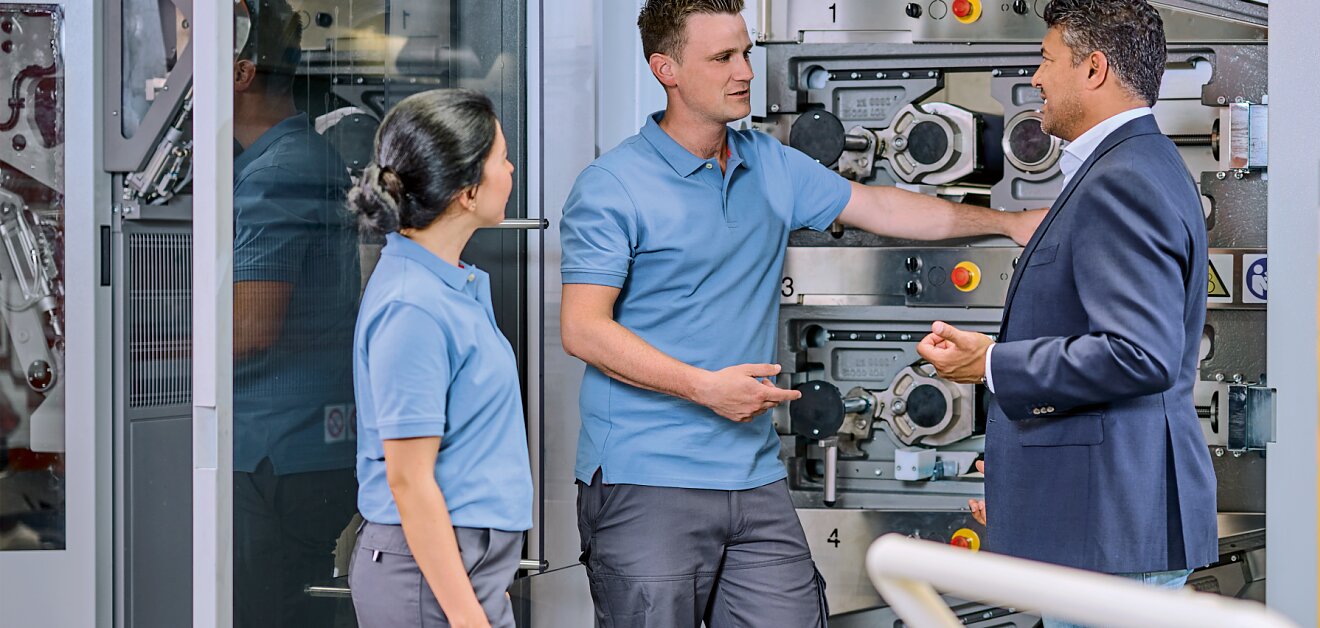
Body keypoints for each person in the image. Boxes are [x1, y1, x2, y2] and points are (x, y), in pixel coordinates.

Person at [557, 1, 1044, 625]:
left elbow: (883, 208)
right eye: (721, 58)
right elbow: (583, 328)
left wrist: (1008, 223)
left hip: (751, 474)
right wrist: (705, 389)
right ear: (665, 69)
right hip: (647, 476)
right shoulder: (613, 186)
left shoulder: (768, 162)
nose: (744, 73)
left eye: (746, 53)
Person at [915, 1, 1219, 626]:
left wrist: (992, 363)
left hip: (1113, 535)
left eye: (1048, 59)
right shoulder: (1132, 167)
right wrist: (1021, 485)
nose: (1035, 78)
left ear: (1096, 69)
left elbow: (1139, 352)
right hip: (1098, 524)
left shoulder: (1123, 178)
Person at [347, 88, 531, 628]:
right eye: (501, 156)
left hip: (455, 564)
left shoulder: (445, 287)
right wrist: (466, 617)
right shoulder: (414, 306)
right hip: (427, 574)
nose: (512, 166)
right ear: (468, 192)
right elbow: (408, 480)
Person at [229, 1, 362, 625]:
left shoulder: (275, 175)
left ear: (240, 73)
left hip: (275, 458)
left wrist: (134, 356)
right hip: (303, 448)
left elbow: (248, 328)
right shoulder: (289, 157)